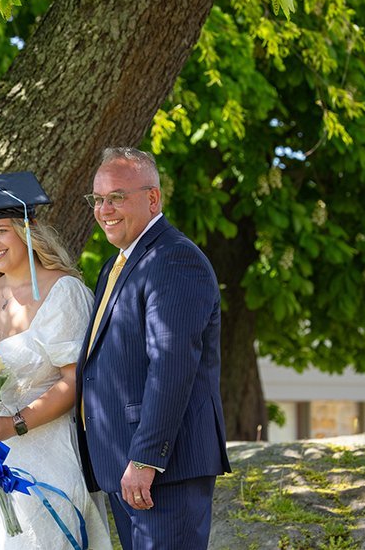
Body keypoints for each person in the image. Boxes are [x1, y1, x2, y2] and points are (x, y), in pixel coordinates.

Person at [75, 148, 231, 550]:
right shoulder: (114, 266)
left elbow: (172, 367)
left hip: (163, 469)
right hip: (122, 464)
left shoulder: (175, 259)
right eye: (98, 199)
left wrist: (145, 459)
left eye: (117, 197)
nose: (104, 209)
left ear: (153, 198)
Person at [0, 172, 112, 550]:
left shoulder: (63, 291)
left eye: (1, 231)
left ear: (27, 229)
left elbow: (76, 381)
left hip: (46, 453)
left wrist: (14, 424)